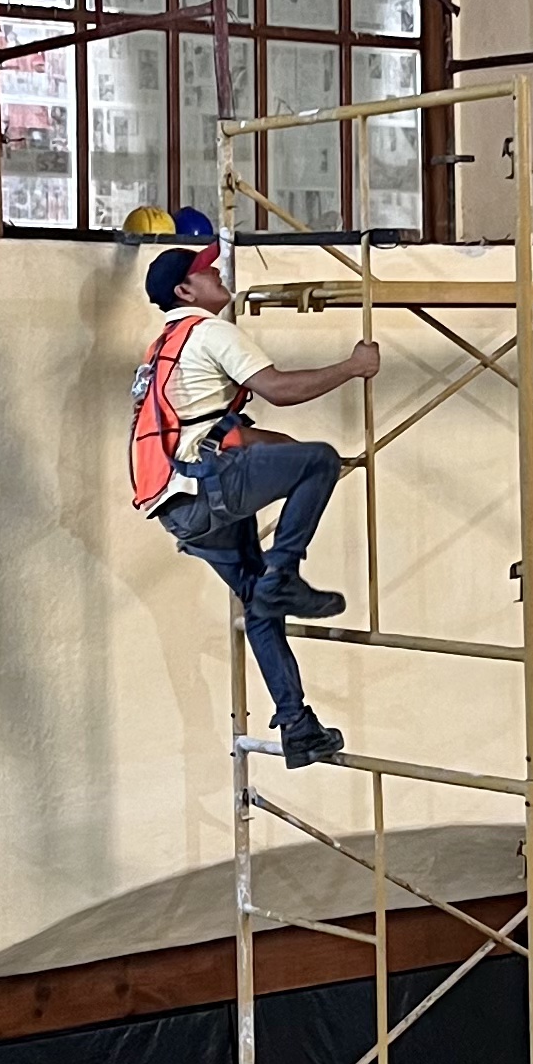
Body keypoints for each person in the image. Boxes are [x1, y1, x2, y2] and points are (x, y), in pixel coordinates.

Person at [143, 228, 376, 767]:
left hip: (178, 506)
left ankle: (298, 726)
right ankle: (284, 574)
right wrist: (352, 367)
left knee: (259, 603)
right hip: (208, 488)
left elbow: (217, 430)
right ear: (185, 292)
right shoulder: (208, 331)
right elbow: (279, 390)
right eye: (205, 271)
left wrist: (282, 455)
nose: (216, 272)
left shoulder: (164, 349)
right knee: (320, 460)